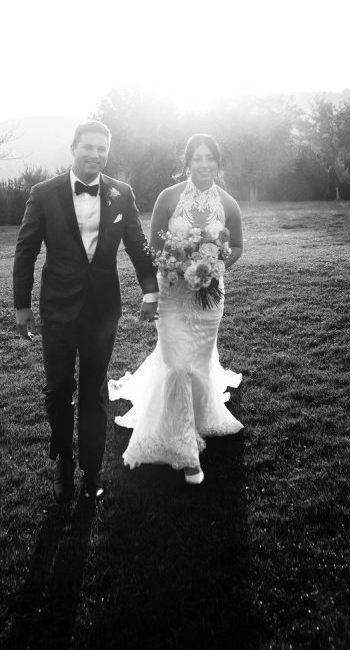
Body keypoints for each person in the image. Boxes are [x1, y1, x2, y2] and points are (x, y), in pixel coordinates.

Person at [13, 121, 159, 504]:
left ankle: (92, 469)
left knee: (95, 393)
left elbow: (137, 244)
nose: (95, 154)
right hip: (58, 309)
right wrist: (21, 305)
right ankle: (63, 462)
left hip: (101, 310)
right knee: (59, 390)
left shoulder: (121, 194)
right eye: (88, 147)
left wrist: (150, 290)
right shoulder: (43, 194)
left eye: (102, 149)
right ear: (73, 147)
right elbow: (26, 250)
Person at [108, 134, 243, 485]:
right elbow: (152, 249)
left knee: (195, 365)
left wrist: (214, 266)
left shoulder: (228, 203)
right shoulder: (168, 199)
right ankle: (185, 452)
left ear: (217, 162)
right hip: (171, 295)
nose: (203, 164)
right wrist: (173, 264)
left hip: (210, 299)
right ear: (187, 162)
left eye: (209, 158)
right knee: (176, 364)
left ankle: (195, 416)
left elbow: (238, 245)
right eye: (196, 158)